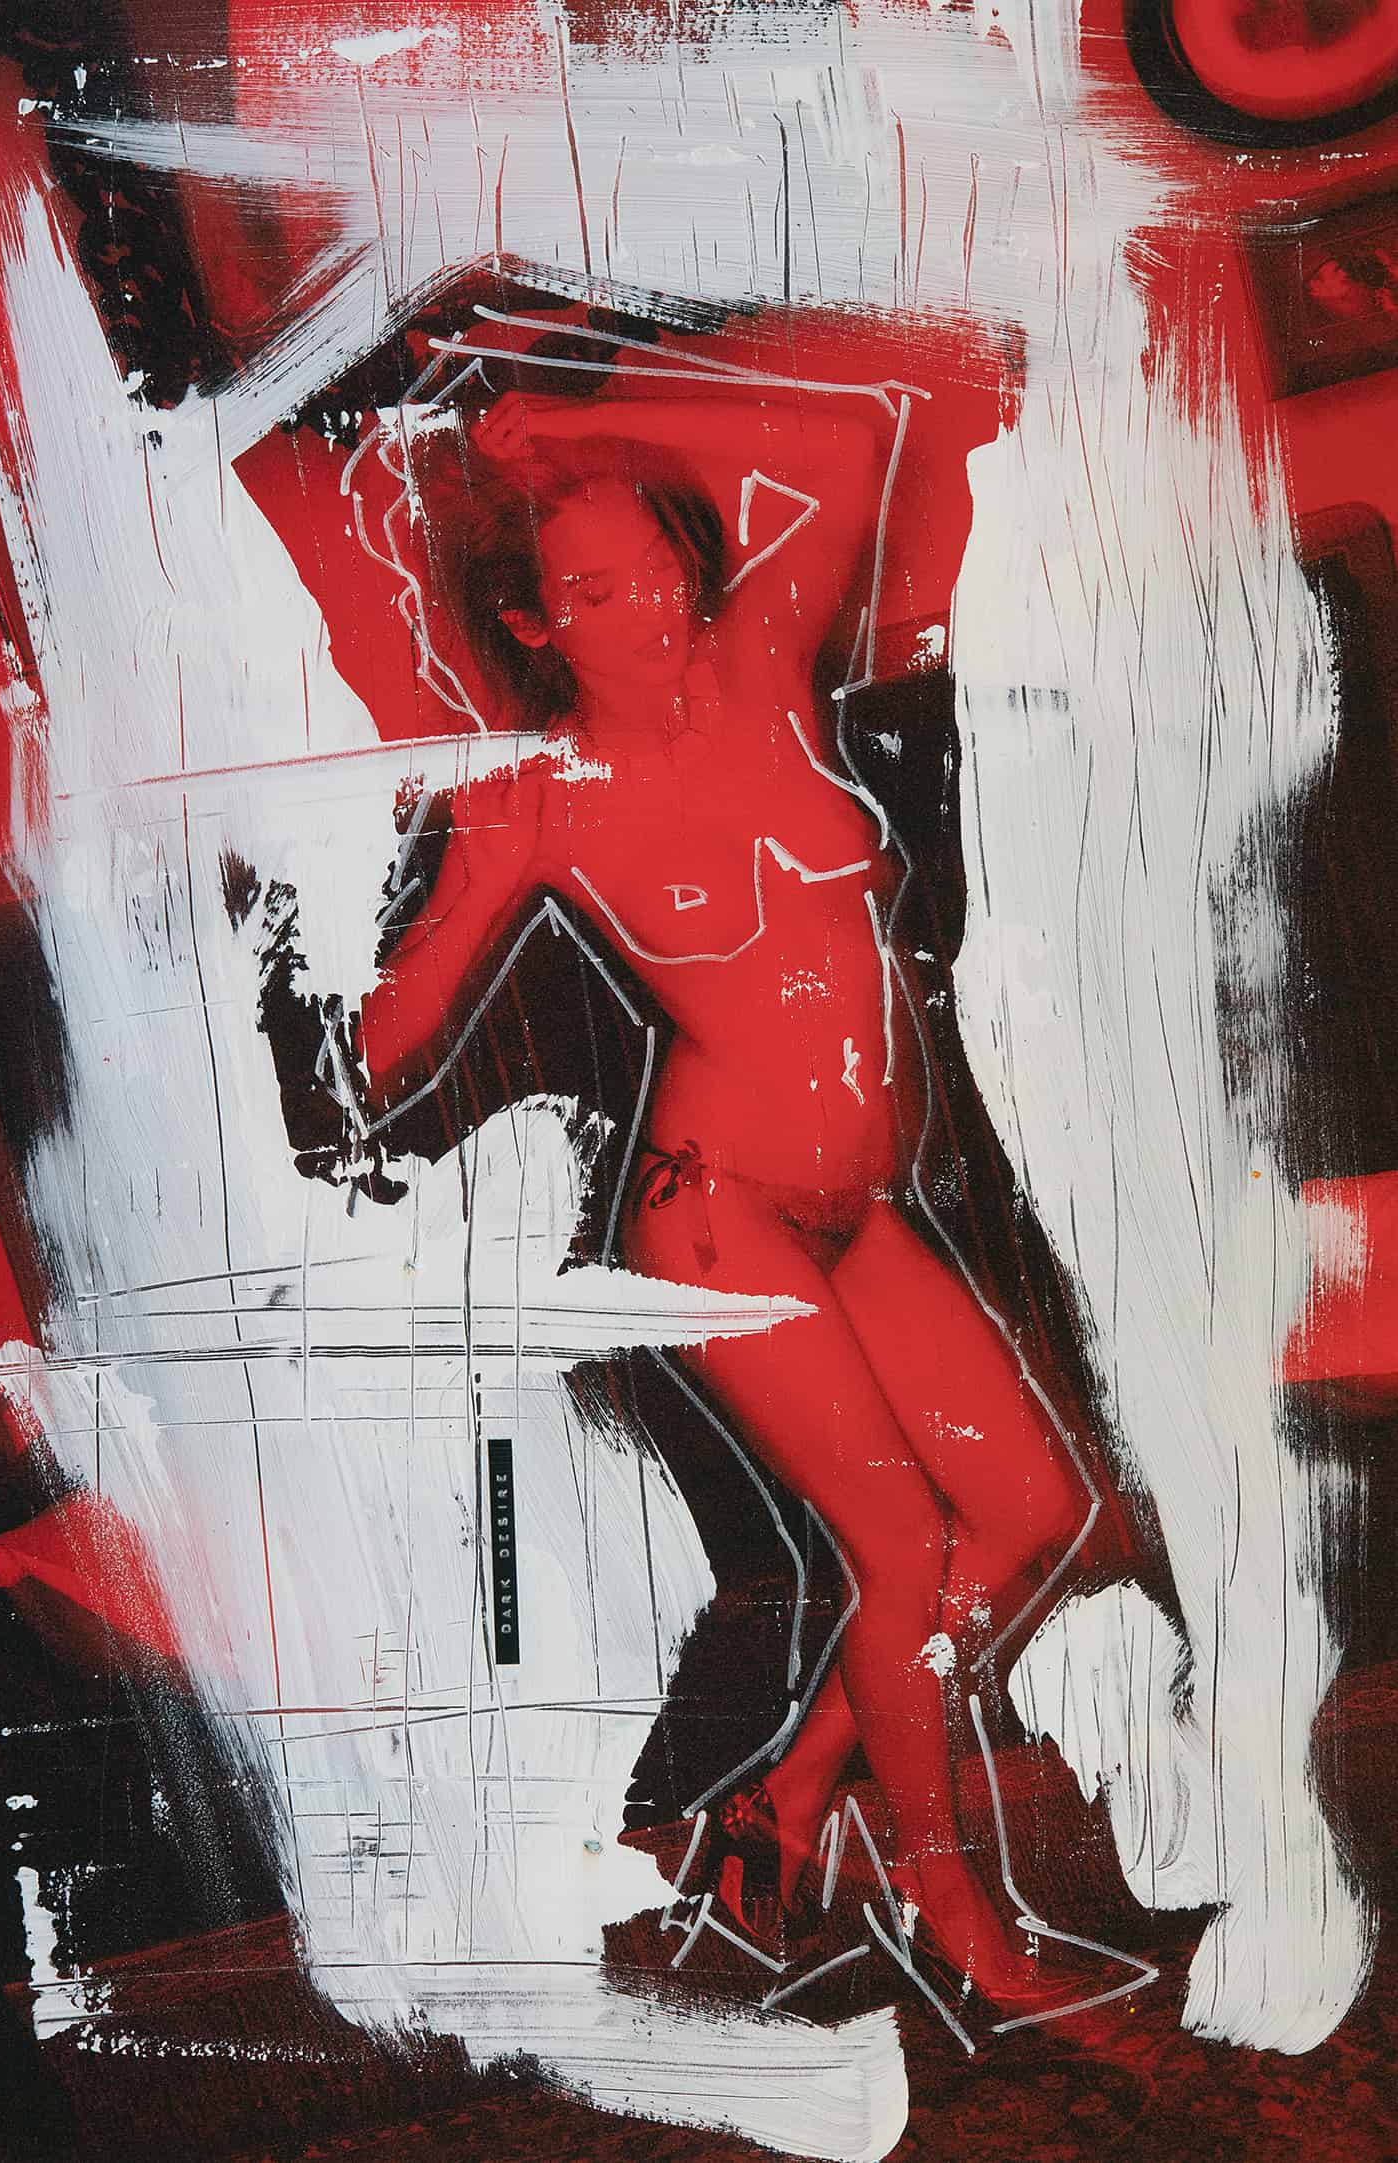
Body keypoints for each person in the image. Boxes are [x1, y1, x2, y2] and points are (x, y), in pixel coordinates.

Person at [352, 376, 1101, 2022]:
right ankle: (946, 1902)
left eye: (662, 568)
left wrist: (584, 424)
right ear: (533, 623)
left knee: (1032, 1512)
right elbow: (392, 1031)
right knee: (901, 1546)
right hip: (716, 1207)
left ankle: (789, 1789)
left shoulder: (761, 668)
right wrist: (318, 1031)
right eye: (599, 591)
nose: (654, 613)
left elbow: (844, 445)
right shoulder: (540, 802)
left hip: (857, 1203)